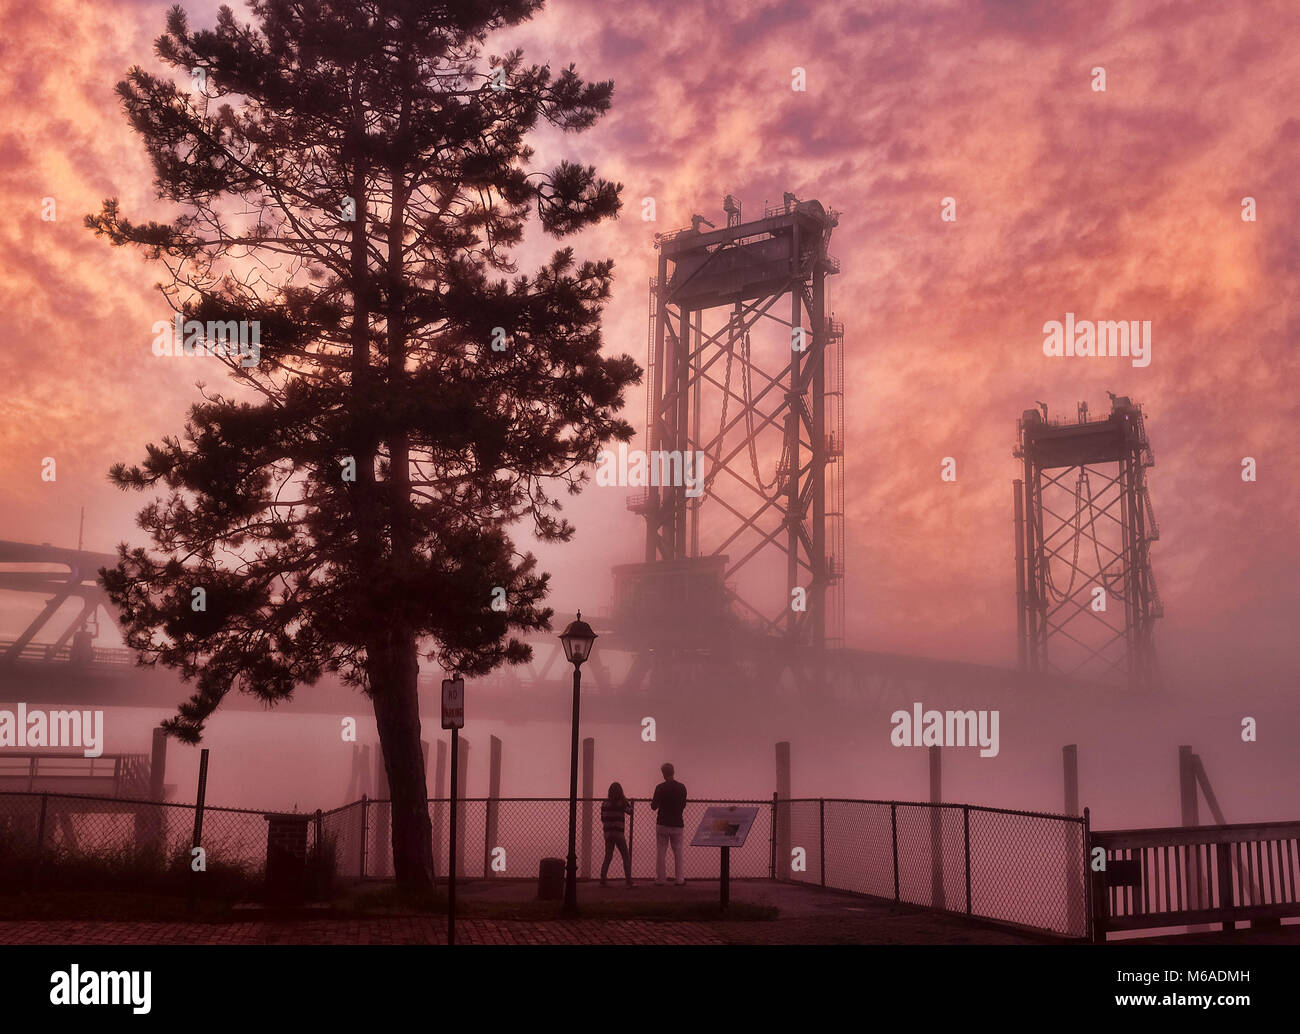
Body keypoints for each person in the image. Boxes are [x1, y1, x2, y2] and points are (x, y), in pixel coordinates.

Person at [650, 762, 687, 886]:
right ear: (673, 772)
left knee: (661, 851)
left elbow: (653, 806)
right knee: (678, 852)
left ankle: (661, 879)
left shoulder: (660, 788)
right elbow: (683, 805)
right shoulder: (682, 788)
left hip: (662, 823)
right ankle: (680, 879)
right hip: (677, 823)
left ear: (663, 774)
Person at [599, 782, 634, 887]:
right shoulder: (621, 803)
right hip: (618, 833)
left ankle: (603, 878)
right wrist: (627, 802)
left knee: (608, 856)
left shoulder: (605, 803)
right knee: (625, 856)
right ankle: (628, 880)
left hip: (608, 833)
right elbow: (630, 811)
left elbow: (602, 818)